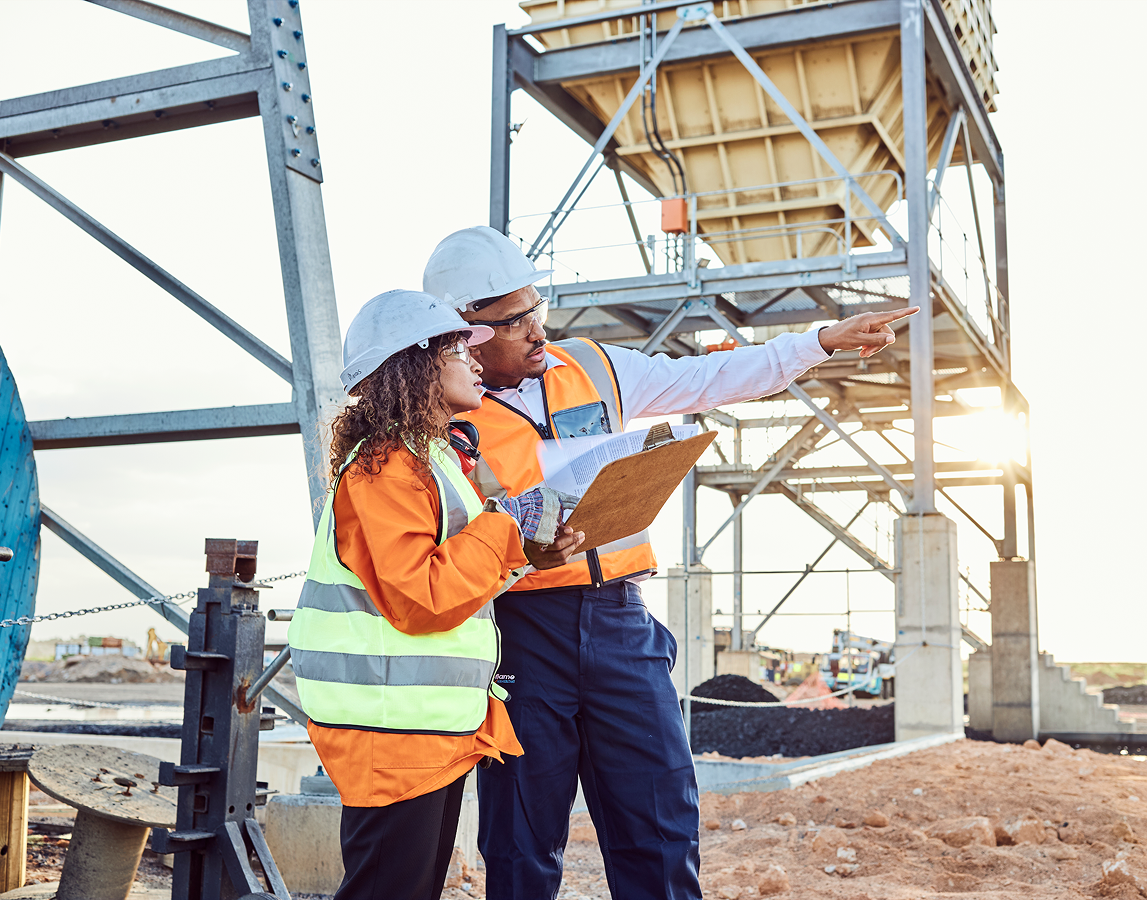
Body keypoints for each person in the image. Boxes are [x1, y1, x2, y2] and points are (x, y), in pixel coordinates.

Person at [424, 227, 918, 900]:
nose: (539, 330)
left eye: (538, 309)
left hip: (622, 621)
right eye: (516, 322)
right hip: (521, 632)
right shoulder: (443, 413)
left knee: (659, 820)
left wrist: (819, 342)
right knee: (520, 837)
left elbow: (707, 377)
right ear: (468, 334)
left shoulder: (593, 365)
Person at [287, 290, 576, 900]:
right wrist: (505, 525)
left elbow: (458, 579)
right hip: (392, 732)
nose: (477, 360)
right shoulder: (389, 465)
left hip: (421, 728)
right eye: (456, 349)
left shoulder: (430, 458)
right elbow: (420, 598)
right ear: (414, 363)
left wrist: (529, 547)